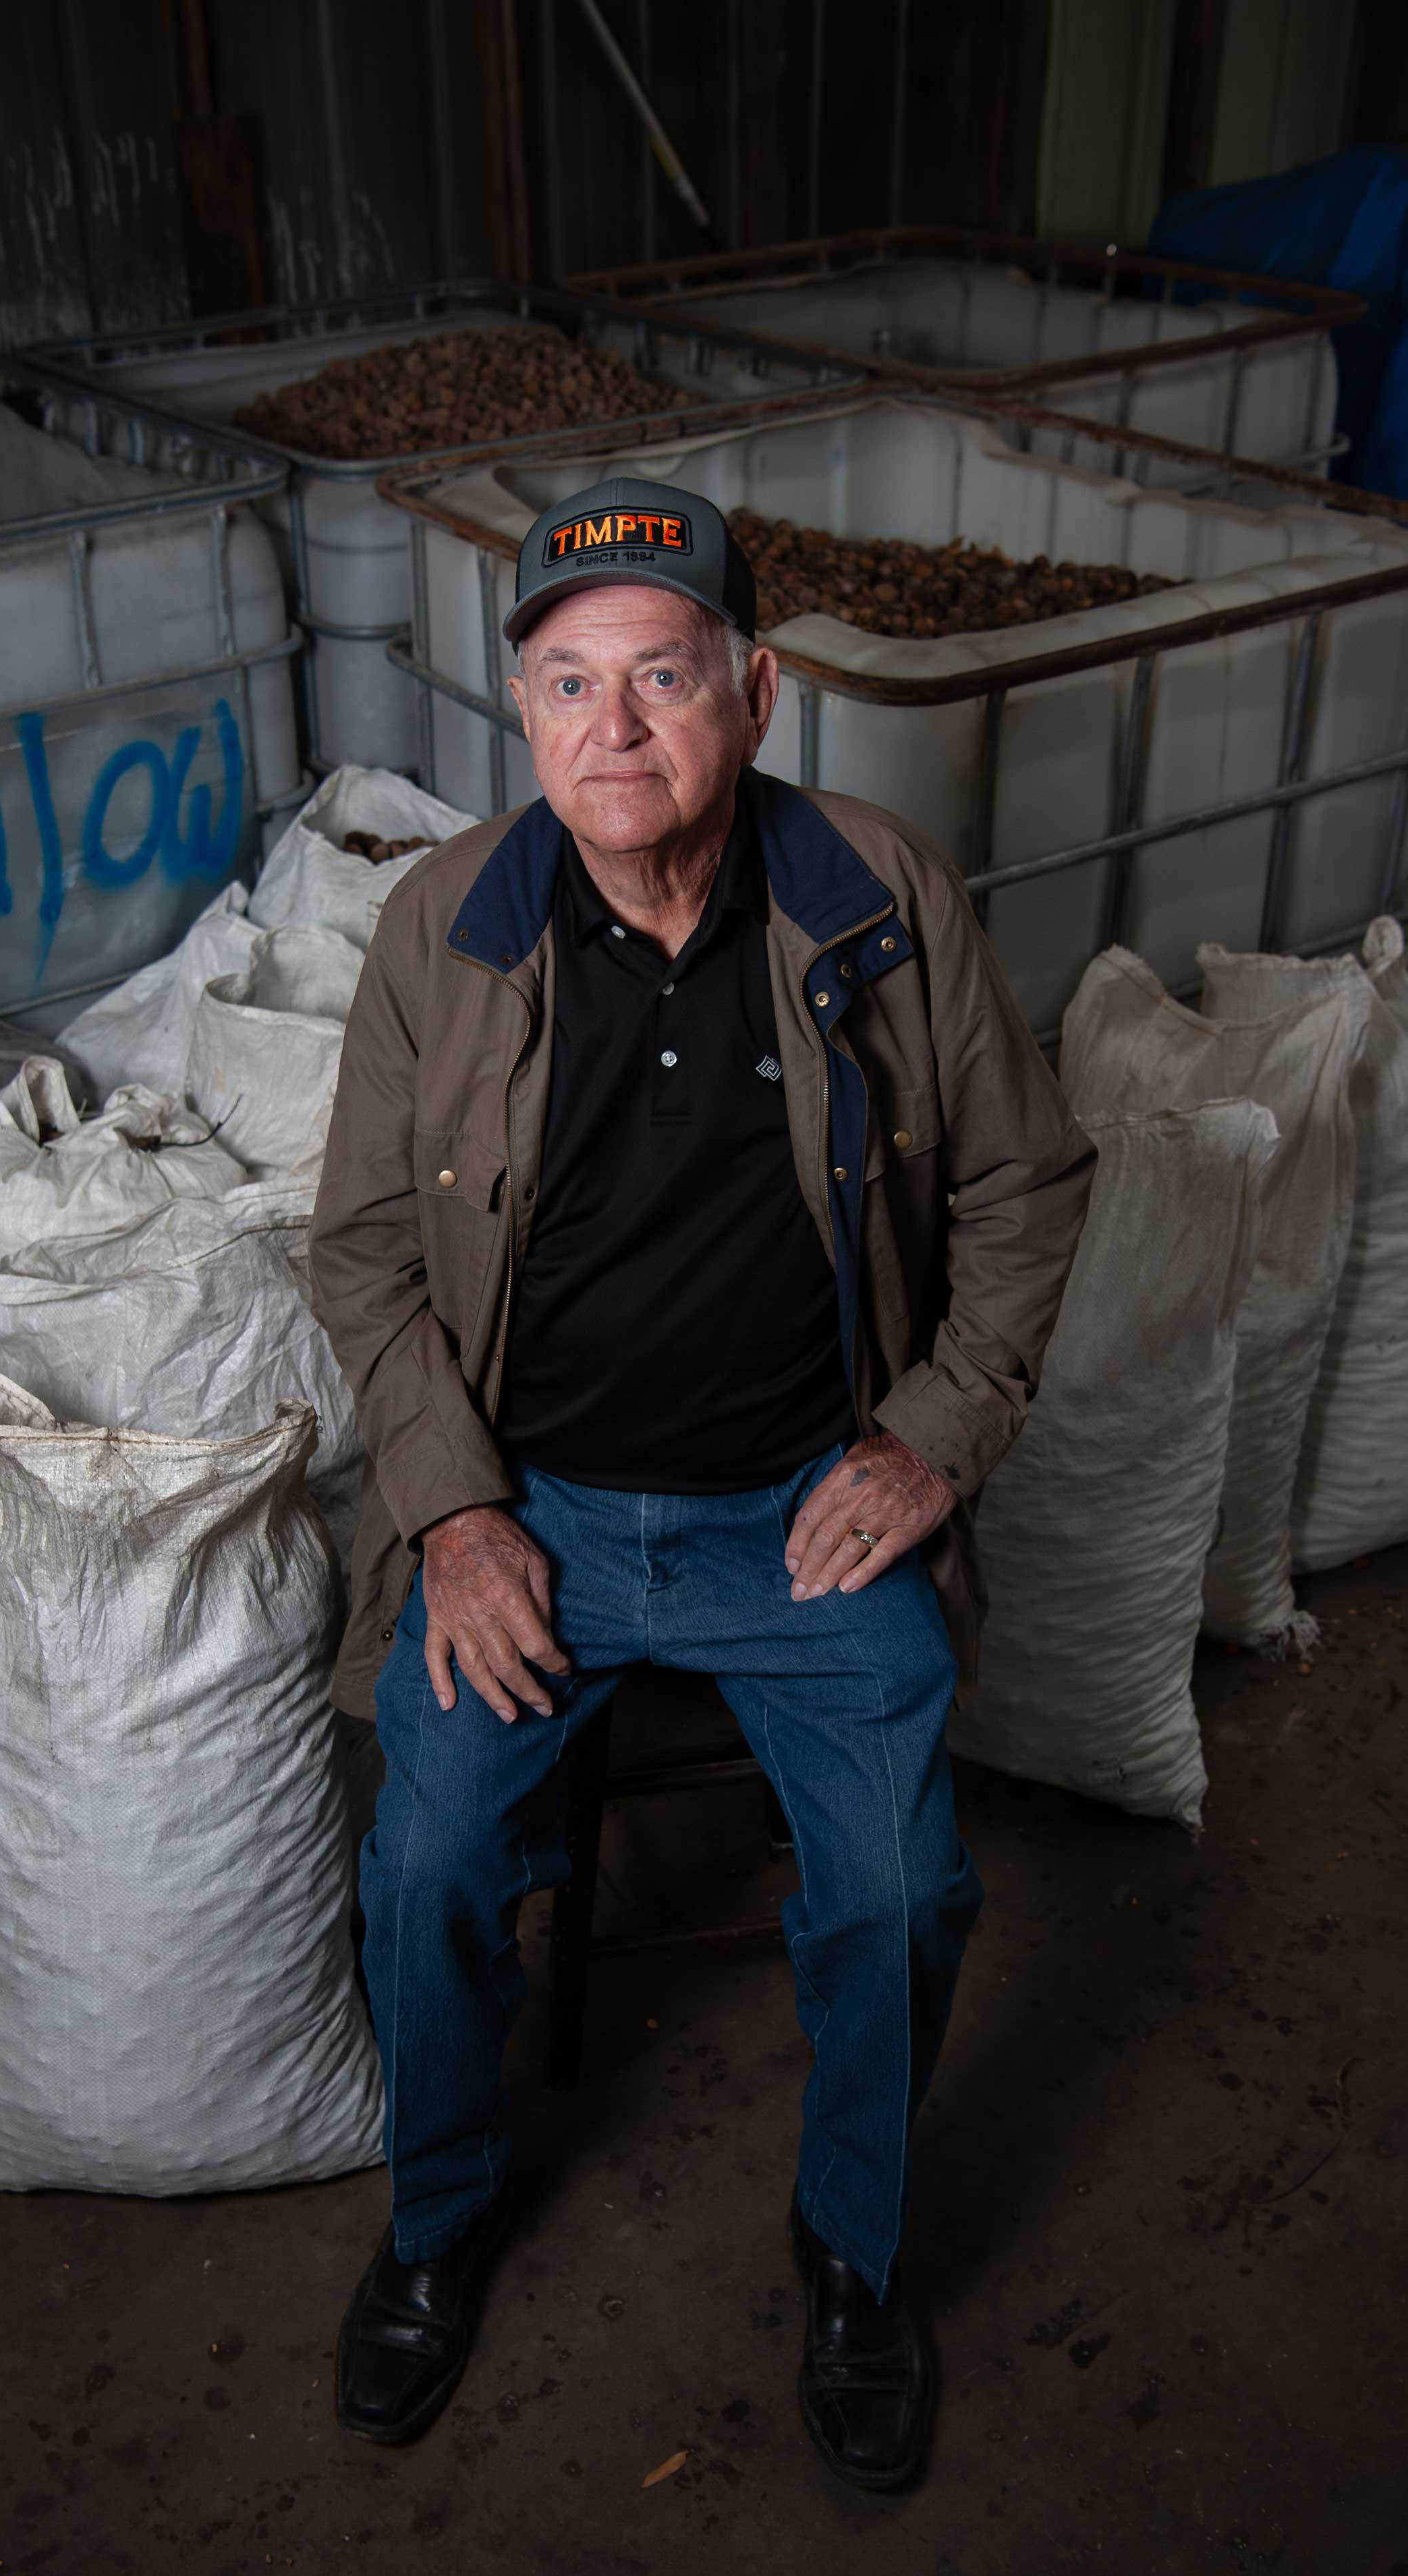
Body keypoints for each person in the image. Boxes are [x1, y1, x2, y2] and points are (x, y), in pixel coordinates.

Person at [308, 475, 1094, 2489]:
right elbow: (367, 1252)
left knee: (906, 1887)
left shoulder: (876, 898)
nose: (616, 731)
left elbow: (1025, 1181)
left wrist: (935, 1427)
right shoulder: (448, 928)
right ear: (522, 710)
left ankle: (851, 2252)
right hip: (535, 1505)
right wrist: (455, 1508)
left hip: (794, 1514)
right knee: (423, 1865)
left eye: (663, 678)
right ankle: (439, 2221)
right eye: (569, 684)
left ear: (755, 694)